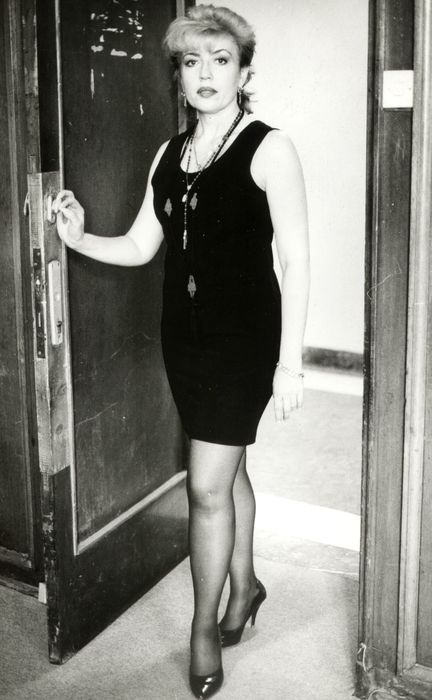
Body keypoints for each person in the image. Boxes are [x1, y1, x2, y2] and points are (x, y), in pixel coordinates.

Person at [53, 4, 310, 698]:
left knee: (204, 487)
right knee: (227, 468)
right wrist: (79, 238)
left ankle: (202, 630)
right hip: (185, 341)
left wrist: (290, 362)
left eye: (221, 60)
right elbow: (143, 245)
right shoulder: (169, 155)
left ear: (244, 73)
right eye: (192, 61)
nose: (205, 74)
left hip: (244, 342)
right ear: (179, 75)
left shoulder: (270, 148)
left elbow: (297, 260)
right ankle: (245, 586)